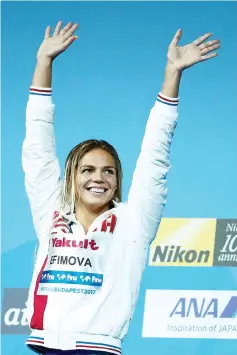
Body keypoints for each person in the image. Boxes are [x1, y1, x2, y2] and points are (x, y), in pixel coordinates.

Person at [22, 21, 220, 355]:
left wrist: (173, 74)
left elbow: (156, 155)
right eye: (87, 170)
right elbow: (37, 146)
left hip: (98, 349)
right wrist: (43, 63)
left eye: (108, 171)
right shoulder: (51, 210)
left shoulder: (134, 221)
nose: (97, 178)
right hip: (44, 346)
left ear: (117, 182)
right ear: (72, 177)